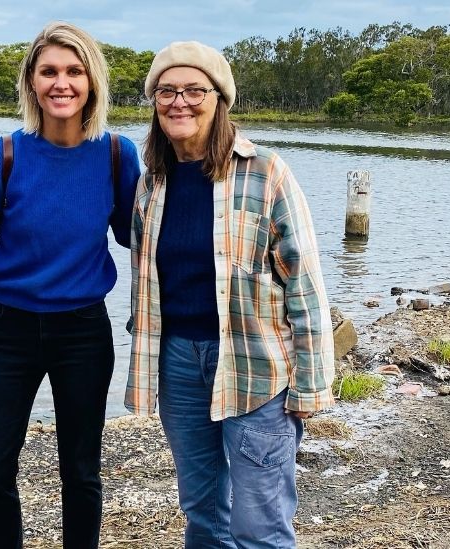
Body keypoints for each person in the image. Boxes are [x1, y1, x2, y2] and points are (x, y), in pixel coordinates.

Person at [0, 21, 140, 549]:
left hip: (83, 332)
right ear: (32, 83)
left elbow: (135, 234)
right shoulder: (1, 154)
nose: (62, 83)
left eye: (74, 71)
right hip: (9, 331)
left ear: (92, 82)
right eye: (49, 72)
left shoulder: (116, 155)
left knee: (80, 472)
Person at [124, 41, 335, 548]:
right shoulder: (152, 181)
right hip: (178, 363)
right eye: (166, 91)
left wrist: (311, 385)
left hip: (256, 366)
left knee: (259, 525)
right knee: (202, 512)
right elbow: (144, 278)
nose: (180, 102)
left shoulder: (266, 173)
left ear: (219, 99)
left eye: (195, 89)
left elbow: (303, 282)